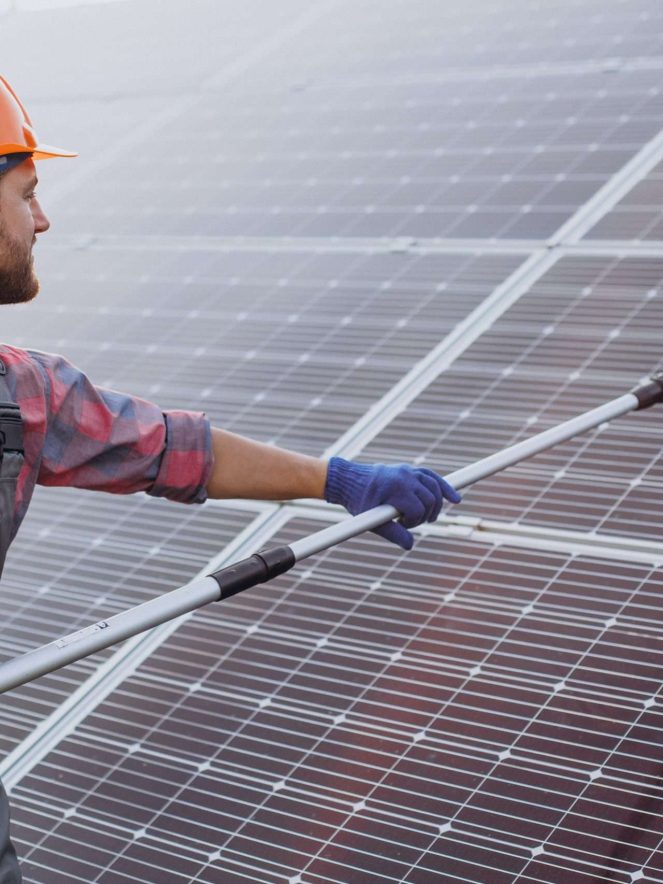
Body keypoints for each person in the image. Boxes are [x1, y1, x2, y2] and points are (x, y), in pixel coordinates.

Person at [0, 75, 461, 882]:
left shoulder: (23, 395)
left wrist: (340, 482)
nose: (45, 219)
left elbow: (175, 449)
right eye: (27, 194)